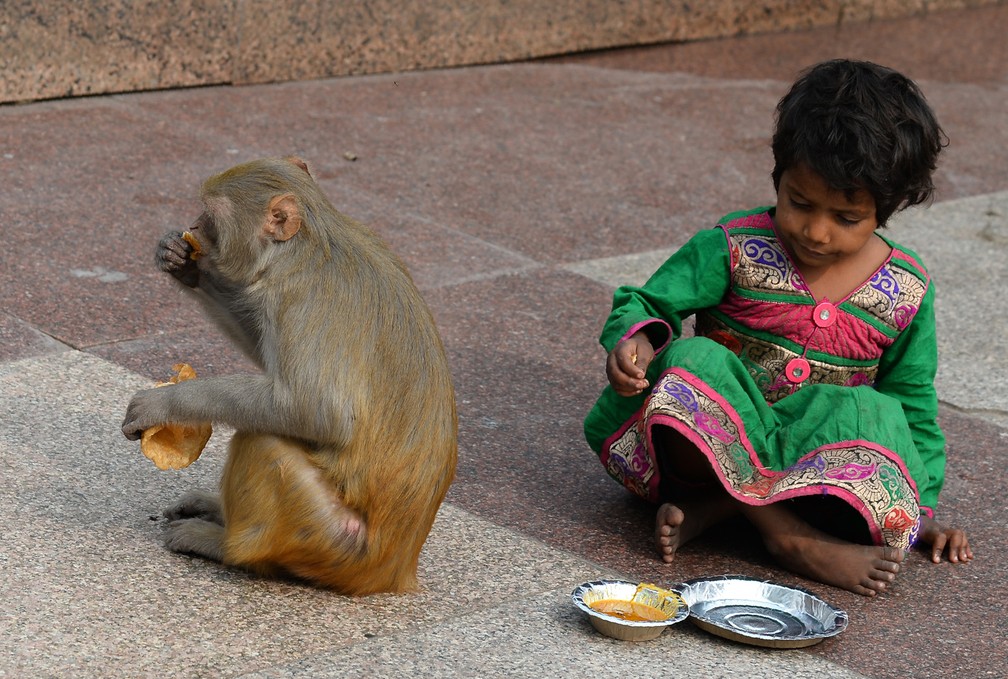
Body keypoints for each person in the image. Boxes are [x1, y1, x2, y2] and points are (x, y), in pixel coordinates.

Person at [583, 59, 973, 597]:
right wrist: (639, 340)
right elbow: (650, 300)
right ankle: (784, 536)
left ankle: (721, 511)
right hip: (701, 454)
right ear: (778, 173)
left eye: (845, 218)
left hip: (810, 471)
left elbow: (913, 402)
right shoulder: (735, 244)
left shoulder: (906, 290)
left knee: (875, 413)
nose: (815, 231)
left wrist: (922, 507)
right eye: (800, 203)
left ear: (886, 209)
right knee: (692, 363)